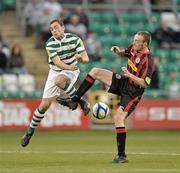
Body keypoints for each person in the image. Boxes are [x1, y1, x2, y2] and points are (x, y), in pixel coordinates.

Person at [58, 31, 153, 163]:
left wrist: (130, 75)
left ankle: (122, 156)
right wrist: (118, 51)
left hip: (133, 92)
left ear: (145, 43)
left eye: (137, 41)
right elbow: (125, 53)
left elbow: (145, 83)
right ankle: (74, 101)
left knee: (118, 118)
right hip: (125, 82)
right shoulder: (134, 47)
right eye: (134, 39)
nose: (134, 42)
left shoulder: (148, 60)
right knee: (95, 71)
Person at [21, 19, 90, 147]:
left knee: (59, 81)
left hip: (71, 71)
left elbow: (86, 58)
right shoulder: (50, 44)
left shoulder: (75, 39)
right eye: (52, 29)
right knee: (43, 106)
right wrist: (69, 67)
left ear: (63, 27)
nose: (54, 31)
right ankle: (30, 131)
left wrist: (81, 59)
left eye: (56, 27)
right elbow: (57, 63)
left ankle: (81, 102)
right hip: (56, 70)